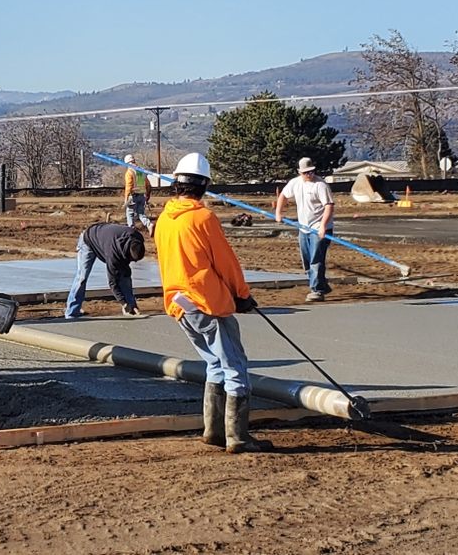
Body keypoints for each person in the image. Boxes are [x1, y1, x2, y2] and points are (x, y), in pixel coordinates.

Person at [154, 152, 271, 453]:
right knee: (235, 366)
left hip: (180, 305)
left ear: (176, 184)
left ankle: (214, 431)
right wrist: (242, 295)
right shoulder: (203, 218)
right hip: (208, 303)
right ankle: (238, 437)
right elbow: (226, 263)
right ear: (203, 185)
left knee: (214, 363)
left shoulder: (165, 219)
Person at [274, 157, 335, 302]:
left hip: (320, 228)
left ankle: (317, 290)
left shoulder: (320, 185)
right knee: (307, 260)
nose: (309, 175)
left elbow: (329, 206)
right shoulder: (295, 183)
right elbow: (283, 195)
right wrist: (278, 213)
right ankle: (321, 284)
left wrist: (323, 226)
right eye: (306, 172)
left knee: (316, 260)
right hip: (304, 228)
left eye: (311, 171)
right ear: (299, 172)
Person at [64, 223, 145, 318]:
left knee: (125, 276)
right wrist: (123, 302)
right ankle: (72, 312)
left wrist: (129, 303)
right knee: (82, 277)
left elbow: (126, 272)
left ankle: (132, 307)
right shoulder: (113, 254)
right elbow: (112, 283)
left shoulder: (137, 238)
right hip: (88, 239)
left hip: (105, 237)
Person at [123, 154, 154, 235]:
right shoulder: (141, 171)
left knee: (129, 213)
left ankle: (131, 230)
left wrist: (126, 198)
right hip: (141, 195)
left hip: (133, 196)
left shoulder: (129, 172)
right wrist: (147, 195)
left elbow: (129, 186)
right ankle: (149, 224)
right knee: (141, 214)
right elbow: (148, 184)